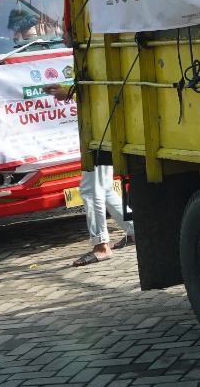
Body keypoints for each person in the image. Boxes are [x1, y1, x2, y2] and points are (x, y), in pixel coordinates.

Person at [43, 83, 133, 265]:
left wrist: (68, 91)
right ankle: (134, 230)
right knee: (104, 188)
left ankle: (101, 245)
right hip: (104, 126)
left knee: (90, 190)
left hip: (99, 128)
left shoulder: (89, 54)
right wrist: (67, 89)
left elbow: (94, 86)